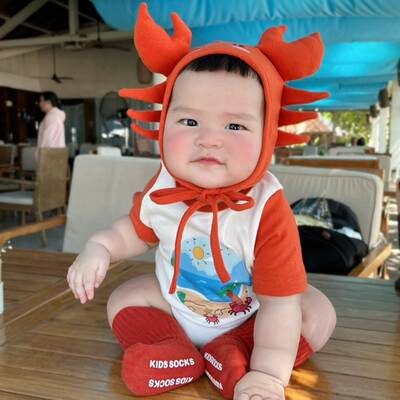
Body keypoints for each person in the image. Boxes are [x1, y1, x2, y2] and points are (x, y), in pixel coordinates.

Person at [67, 4, 336, 400]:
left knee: (316, 312)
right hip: (175, 308)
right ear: (164, 124)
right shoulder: (164, 185)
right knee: (123, 298)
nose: (209, 139)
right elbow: (133, 232)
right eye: (190, 121)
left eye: (235, 125)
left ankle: (239, 355)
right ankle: (177, 353)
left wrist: (268, 375)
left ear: (268, 135)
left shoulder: (266, 208)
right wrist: (99, 247)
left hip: (250, 316)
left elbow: (278, 304)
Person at [36, 91, 66, 159]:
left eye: (41, 101)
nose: (40, 104)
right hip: (57, 154)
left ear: (48, 102)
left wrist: (40, 156)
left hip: (49, 156)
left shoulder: (52, 117)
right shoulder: (55, 115)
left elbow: (48, 140)